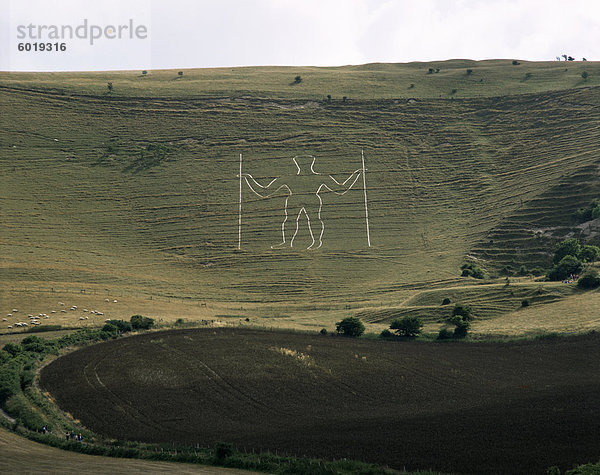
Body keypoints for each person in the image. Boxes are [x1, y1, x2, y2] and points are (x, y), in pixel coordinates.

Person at [241, 155, 362, 249]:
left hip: (310, 198)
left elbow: (340, 189)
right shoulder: (291, 178)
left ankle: (315, 241)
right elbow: (265, 191)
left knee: (313, 219)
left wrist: (356, 174)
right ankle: (288, 242)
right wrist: (248, 178)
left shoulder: (318, 177)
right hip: (296, 198)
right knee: (291, 220)